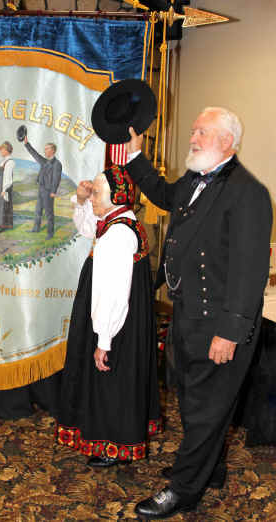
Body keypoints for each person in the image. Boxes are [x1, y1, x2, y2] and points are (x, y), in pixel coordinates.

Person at [124, 107, 272, 519]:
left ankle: (185, 489)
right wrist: (136, 156)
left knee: (206, 408)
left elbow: (249, 271)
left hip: (220, 324)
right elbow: (165, 195)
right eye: (193, 131)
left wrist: (230, 331)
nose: (192, 138)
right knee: (192, 401)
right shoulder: (194, 179)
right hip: (188, 314)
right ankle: (211, 469)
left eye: (201, 132)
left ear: (227, 141)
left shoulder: (249, 193)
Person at [56, 166, 161, 467]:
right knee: (118, 379)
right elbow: (88, 228)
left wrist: (103, 338)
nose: (93, 198)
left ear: (117, 197)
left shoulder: (117, 235)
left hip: (115, 322)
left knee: (110, 377)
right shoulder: (119, 221)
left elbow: (113, 291)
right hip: (122, 319)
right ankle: (118, 440)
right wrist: (80, 199)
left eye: (97, 194)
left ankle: (113, 445)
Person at [23, 137, 62, 240]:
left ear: (53, 150)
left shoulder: (57, 164)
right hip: (41, 189)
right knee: (38, 210)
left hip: (49, 191)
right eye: (45, 149)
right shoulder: (44, 161)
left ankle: (50, 233)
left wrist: (53, 191)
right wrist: (27, 144)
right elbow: (35, 154)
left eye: (47, 149)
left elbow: (56, 179)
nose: (45, 151)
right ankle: (36, 229)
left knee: (49, 213)